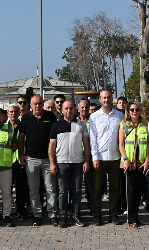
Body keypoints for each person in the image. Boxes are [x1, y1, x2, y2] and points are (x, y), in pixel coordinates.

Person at [18, 95, 59, 227]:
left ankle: (52, 214)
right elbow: (21, 138)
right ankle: (37, 215)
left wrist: (54, 159)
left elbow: (55, 138)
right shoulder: (25, 119)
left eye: (40, 103)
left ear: (43, 104)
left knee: (50, 188)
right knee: (34, 189)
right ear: (30, 105)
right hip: (31, 159)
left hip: (48, 160)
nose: (37, 106)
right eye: (35, 104)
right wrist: (21, 154)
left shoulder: (50, 117)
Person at [49, 101, 90, 228]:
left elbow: (86, 145)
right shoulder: (56, 125)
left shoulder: (81, 125)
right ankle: (63, 216)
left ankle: (76, 215)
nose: (69, 110)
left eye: (71, 108)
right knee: (63, 191)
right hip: (62, 163)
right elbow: (52, 146)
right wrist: (52, 163)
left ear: (75, 110)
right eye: (66, 108)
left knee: (77, 191)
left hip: (78, 163)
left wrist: (87, 161)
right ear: (61, 110)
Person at [89, 90, 124, 225]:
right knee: (97, 188)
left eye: (108, 97)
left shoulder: (119, 115)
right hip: (100, 157)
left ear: (111, 98)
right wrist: (95, 157)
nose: (106, 100)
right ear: (100, 99)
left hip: (115, 157)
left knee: (115, 188)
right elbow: (93, 139)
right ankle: (97, 214)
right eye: (104, 98)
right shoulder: (94, 117)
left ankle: (113, 214)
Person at [119, 101, 149, 228]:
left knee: (139, 191)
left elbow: (148, 145)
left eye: (137, 109)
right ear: (128, 111)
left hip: (141, 162)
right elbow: (120, 145)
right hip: (129, 163)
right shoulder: (124, 125)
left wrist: (147, 160)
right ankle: (131, 218)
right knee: (131, 191)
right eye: (132, 110)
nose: (134, 112)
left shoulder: (145, 125)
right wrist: (125, 160)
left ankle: (136, 217)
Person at [7, 103, 30, 219]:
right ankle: (7, 211)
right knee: (7, 188)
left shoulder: (24, 126)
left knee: (22, 187)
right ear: (8, 113)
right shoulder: (4, 127)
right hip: (7, 161)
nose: (13, 113)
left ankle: (21, 210)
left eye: (16, 111)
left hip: (21, 160)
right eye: (11, 111)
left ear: (19, 113)